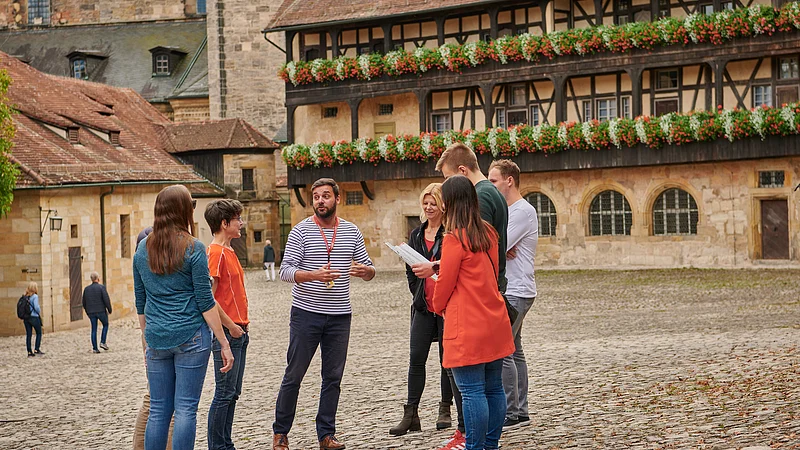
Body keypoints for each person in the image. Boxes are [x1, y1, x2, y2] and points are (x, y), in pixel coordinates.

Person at [415, 143, 509, 450]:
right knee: (493, 388)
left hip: (467, 323)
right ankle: (490, 444)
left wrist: (437, 303)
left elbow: (444, 286)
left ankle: (475, 447)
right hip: (493, 318)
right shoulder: (488, 232)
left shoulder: (455, 239)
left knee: (471, 392)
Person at [273, 178, 376, 450]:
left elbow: (368, 268)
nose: (320, 201)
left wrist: (367, 272)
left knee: (333, 378)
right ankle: (281, 432)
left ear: (337, 199)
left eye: (326, 196)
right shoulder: (300, 231)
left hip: (340, 316)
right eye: (316, 196)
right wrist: (313, 275)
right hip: (306, 314)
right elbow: (285, 272)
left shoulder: (351, 231)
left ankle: (326, 435)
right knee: (294, 375)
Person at [133, 184, 233, 450]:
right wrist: (224, 342)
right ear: (183, 210)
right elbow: (205, 301)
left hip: (157, 337)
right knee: (186, 408)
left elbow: (140, 302)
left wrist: (147, 340)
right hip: (191, 337)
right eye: (192, 205)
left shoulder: (142, 249)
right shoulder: (193, 248)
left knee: (158, 410)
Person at [389, 183, 453, 436]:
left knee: (447, 360)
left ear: (443, 205)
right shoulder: (417, 234)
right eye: (425, 203)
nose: (428, 207)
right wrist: (417, 291)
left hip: (446, 306)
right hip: (423, 306)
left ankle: (445, 409)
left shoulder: (450, 233)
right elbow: (410, 268)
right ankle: (411, 413)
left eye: (433, 203)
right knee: (416, 358)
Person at [488, 160, 538, 429]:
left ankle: (510, 412)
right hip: (514, 288)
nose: (490, 185)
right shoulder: (507, 211)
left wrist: (499, 247)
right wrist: (499, 248)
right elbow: (499, 245)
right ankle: (520, 411)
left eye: (493, 181)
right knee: (515, 350)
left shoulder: (522, 211)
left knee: (503, 350)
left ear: (509, 180)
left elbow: (497, 244)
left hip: (517, 289)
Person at [204, 199, 251, 450]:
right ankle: (217, 446)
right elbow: (208, 298)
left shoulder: (229, 251)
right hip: (228, 332)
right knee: (223, 394)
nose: (241, 223)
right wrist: (231, 326)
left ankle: (226, 443)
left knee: (233, 393)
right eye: (237, 219)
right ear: (224, 223)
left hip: (239, 330)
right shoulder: (215, 253)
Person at [132, 226, 173, 450]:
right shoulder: (151, 263)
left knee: (156, 397)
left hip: (151, 329)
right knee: (162, 399)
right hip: (156, 330)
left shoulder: (146, 262)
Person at [82, 272, 113, 353]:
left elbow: (84, 302)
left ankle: (95, 348)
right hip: (101, 311)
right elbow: (106, 299)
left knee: (94, 329)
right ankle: (103, 342)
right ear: (98, 278)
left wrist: (87, 311)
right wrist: (109, 309)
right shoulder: (101, 287)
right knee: (105, 325)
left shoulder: (86, 289)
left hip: (91, 312)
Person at [22, 282, 44, 357]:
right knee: (39, 332)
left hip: (26, 318)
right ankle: (36, 349)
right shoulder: (35, 296)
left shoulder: (25, 296)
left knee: (29, 334)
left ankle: (29, 351)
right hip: (34, 316)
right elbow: (36, 307)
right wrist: (39, 311)